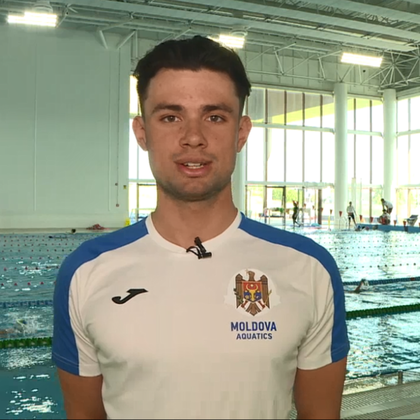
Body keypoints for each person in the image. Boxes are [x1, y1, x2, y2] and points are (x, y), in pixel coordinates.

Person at [52, 36, 349, 420]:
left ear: (241, 133)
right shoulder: (85, 273)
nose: (193, 137)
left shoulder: (309, 268)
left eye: (215, 117)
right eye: (170, 117)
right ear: (142, 133)